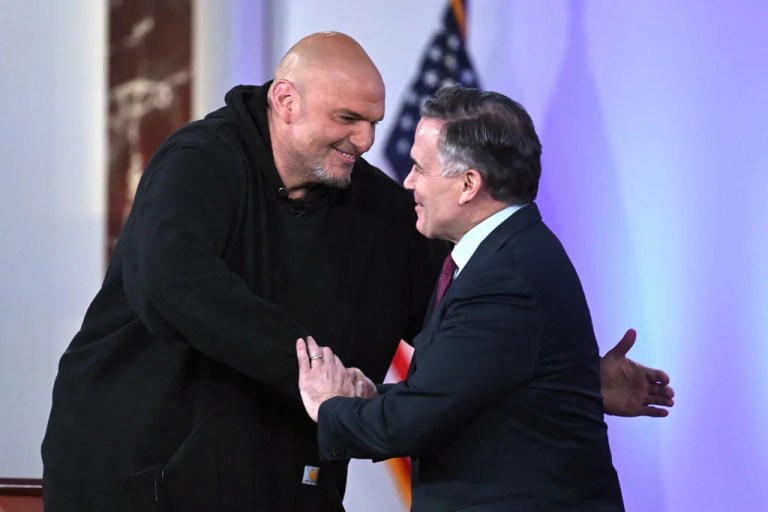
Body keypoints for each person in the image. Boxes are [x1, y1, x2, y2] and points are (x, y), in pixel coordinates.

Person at [42, 32, 671, 512]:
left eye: (374, 121)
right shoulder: (197, 163)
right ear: (284, 101)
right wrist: (312, 370)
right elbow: (172, 287)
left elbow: (474, 333)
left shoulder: (381, 210)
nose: (368, 141)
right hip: (141, 480)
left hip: (286, 485)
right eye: (348, 120)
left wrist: (570, 377)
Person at [296, 86, 628, 511]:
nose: (408, 182)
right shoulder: (498, 257)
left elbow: (415, 422)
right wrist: (371, 398)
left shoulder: (506, 278)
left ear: (469, 183)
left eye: (419, 168)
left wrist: (330, 406)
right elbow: (459, 393)